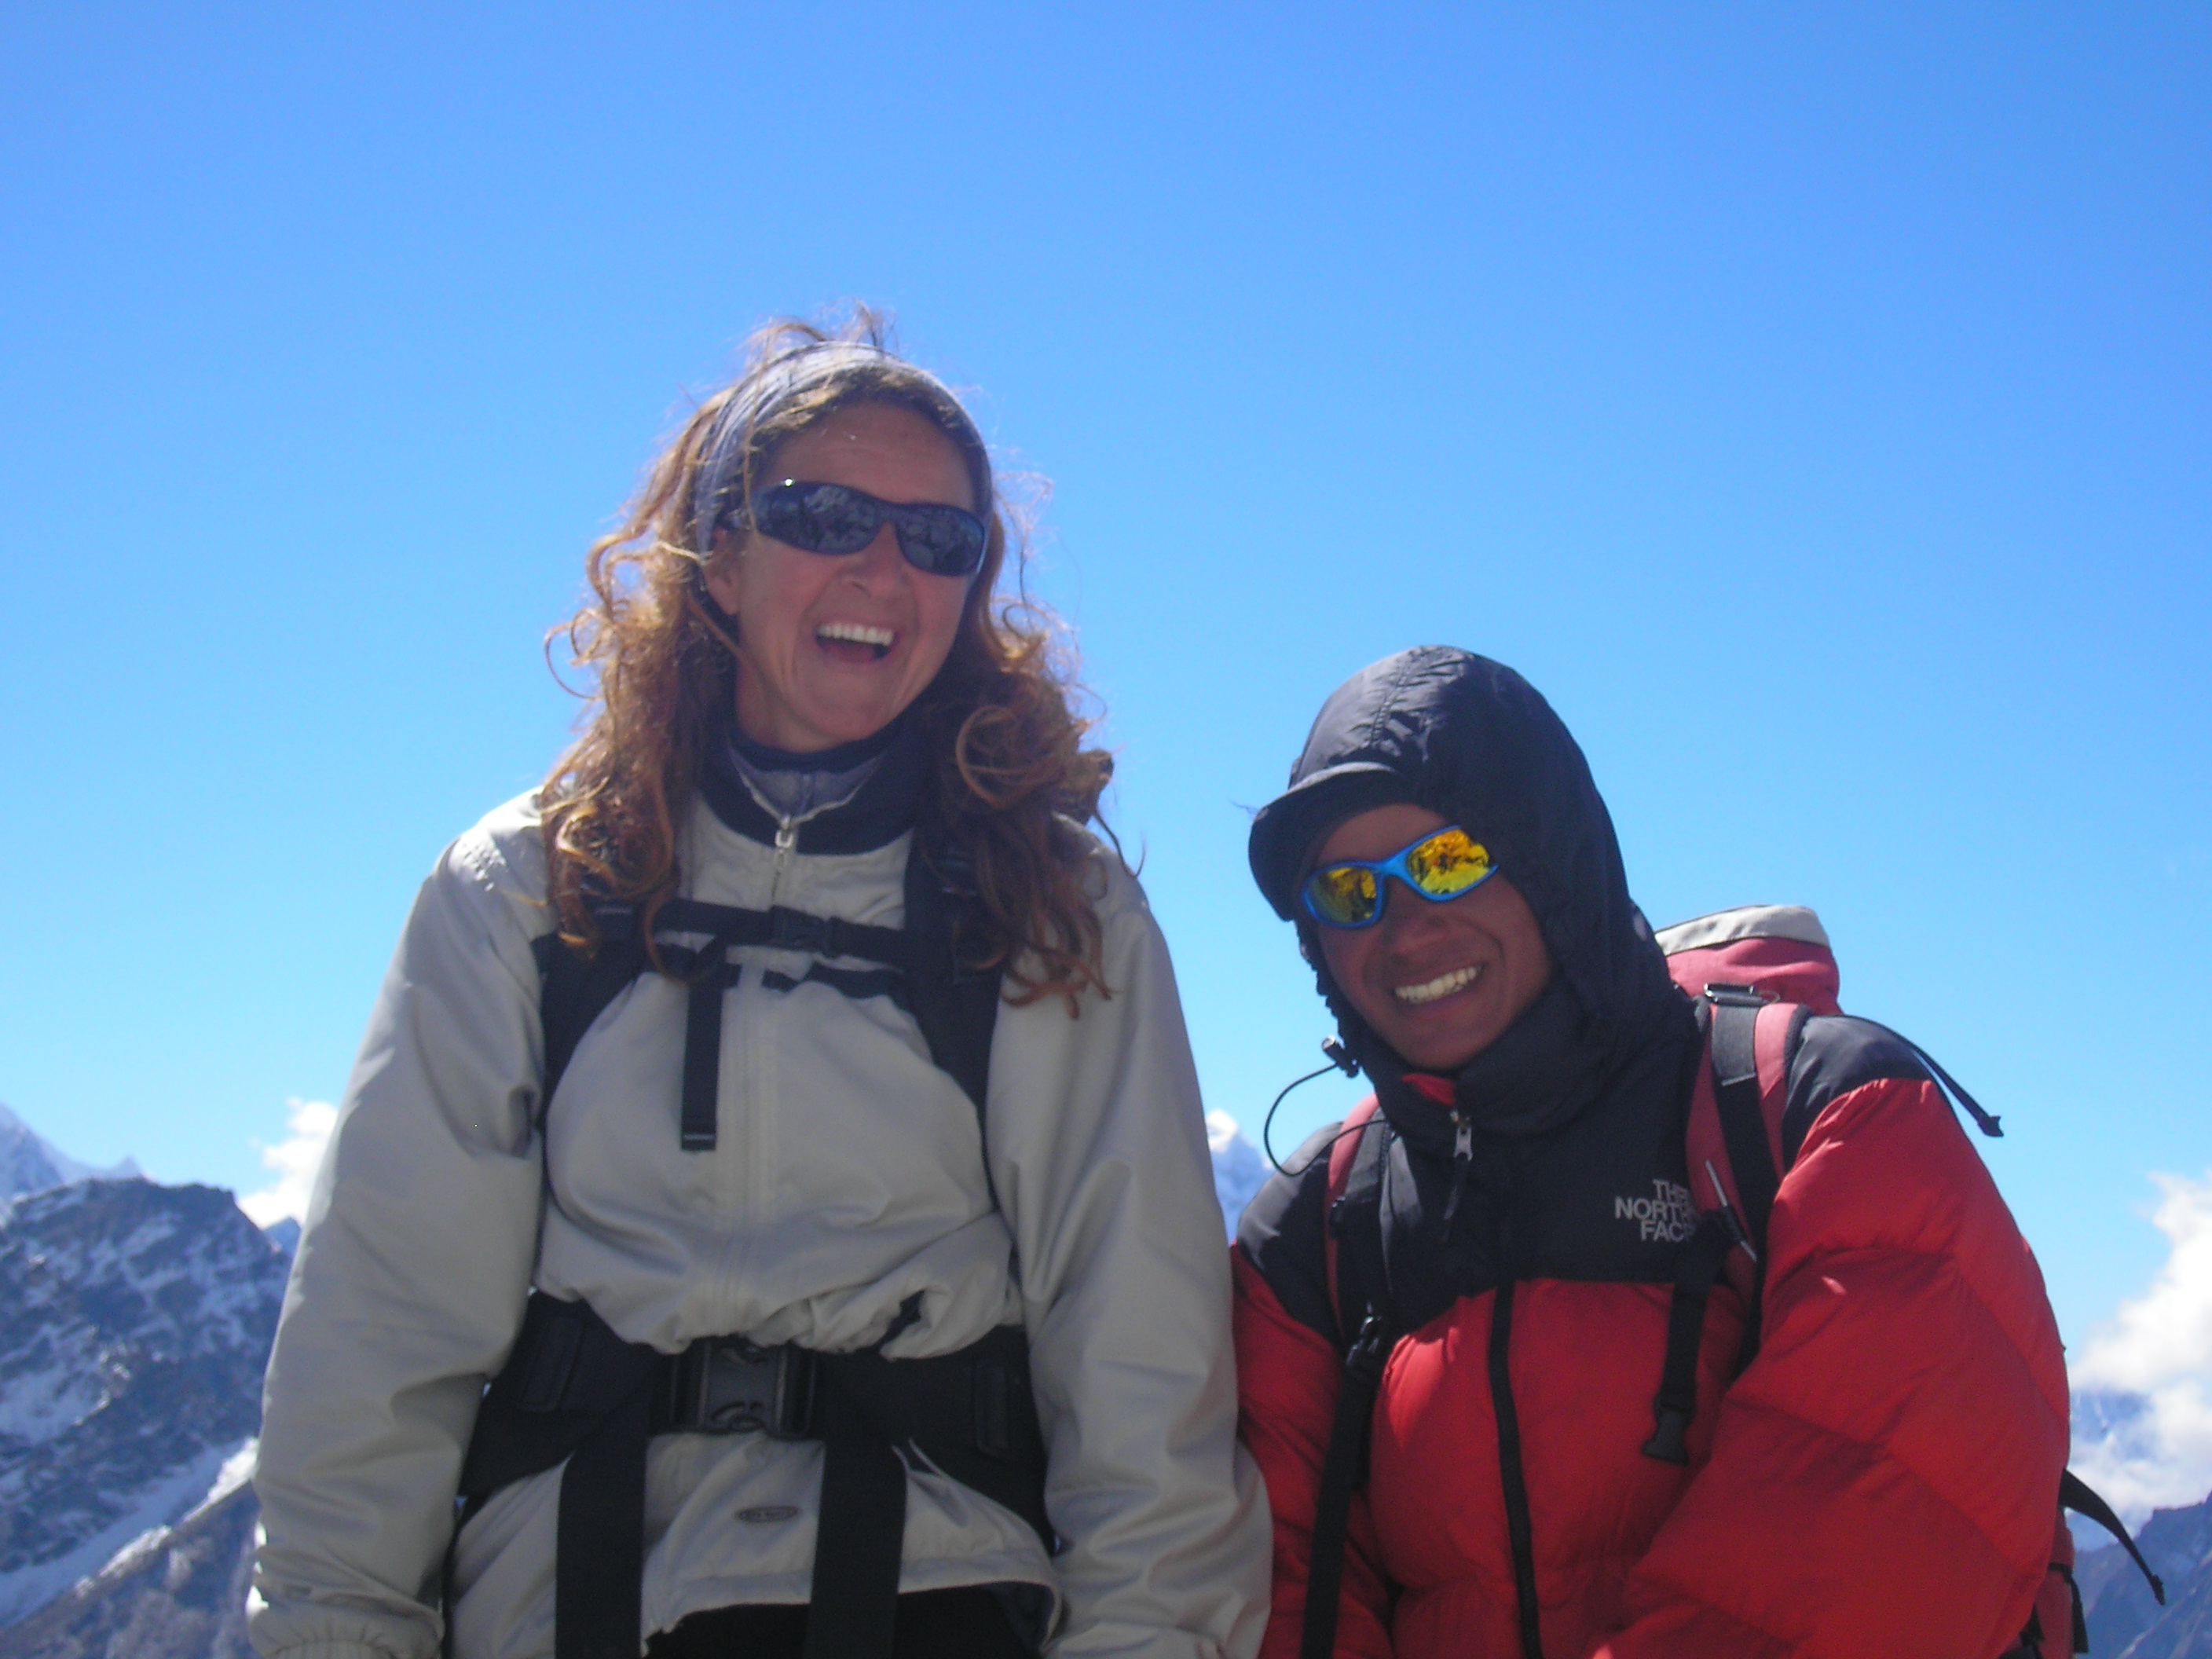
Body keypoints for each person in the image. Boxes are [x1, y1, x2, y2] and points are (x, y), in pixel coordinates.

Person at [250, 315, 1269, 1659]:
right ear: (720, 558)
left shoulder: (1047, 908)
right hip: (568, 1594)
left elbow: (1138, 1349)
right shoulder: (530, 888)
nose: (883, 570)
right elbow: (382, 1324)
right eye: (824, 516)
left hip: (931, 1590)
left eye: (940, 539)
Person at [1232, 646, 2068, 1658]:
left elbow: (1868, 1553)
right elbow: (1280, 1590)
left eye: (1448, 860)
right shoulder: (1314, 1230)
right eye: (1347, 892)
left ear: (1553, 865)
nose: (1404, 931)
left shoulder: (1829, 1119)